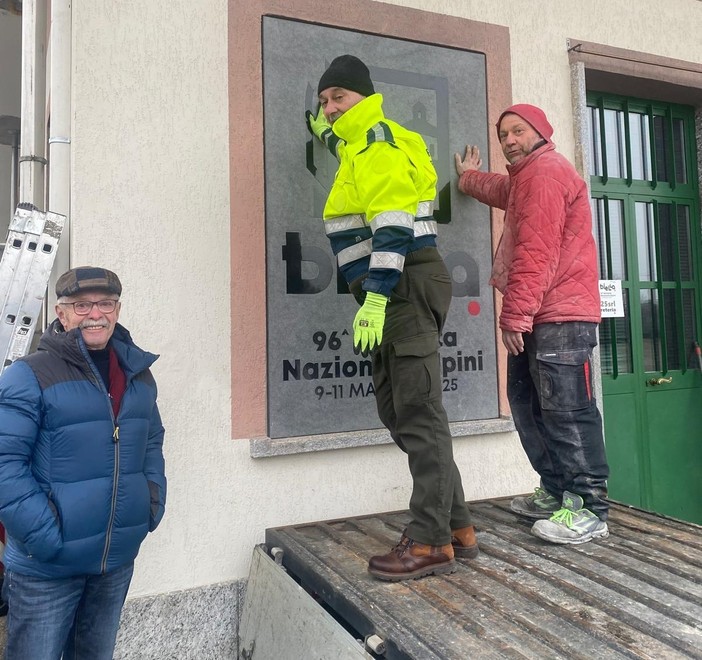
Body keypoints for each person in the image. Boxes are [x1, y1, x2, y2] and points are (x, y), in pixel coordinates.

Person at [306, 55, 478, 581]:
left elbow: (394, 227)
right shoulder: (370, 138)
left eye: (339, 98)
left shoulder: (378, 146)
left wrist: (377, 296)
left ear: (364, 94)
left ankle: (429, 544)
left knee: (419, 414)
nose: (330, 109)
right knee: (401, 412)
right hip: (399, 284)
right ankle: (458, 528)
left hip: (399, 281)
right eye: (323, 101)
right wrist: (325, 129)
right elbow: (347, 143)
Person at [454, 104, 610, 545]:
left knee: (565, 411)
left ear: (540, 132)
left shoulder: (545, 173)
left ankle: (588, 506)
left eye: (517, 131)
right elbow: (505, 190)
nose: (508, 140)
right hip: (543, 313)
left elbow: (535, 253)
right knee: (527, 403)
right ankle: (558, 490)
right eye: (503, 134)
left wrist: (515, 315)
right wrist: (469, 179)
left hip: (560, 315)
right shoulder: (529, 178)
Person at [0, 266, 167, 659]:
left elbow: (152, 441)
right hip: (47, 568)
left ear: (118, 309)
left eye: (105, 303)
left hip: (114, 562)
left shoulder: (137, 375)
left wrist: (150, 504)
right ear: (61, 314)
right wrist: (45, 536)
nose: (95, 314)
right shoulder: (29, 376)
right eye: (82, 305)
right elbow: (5, 463)